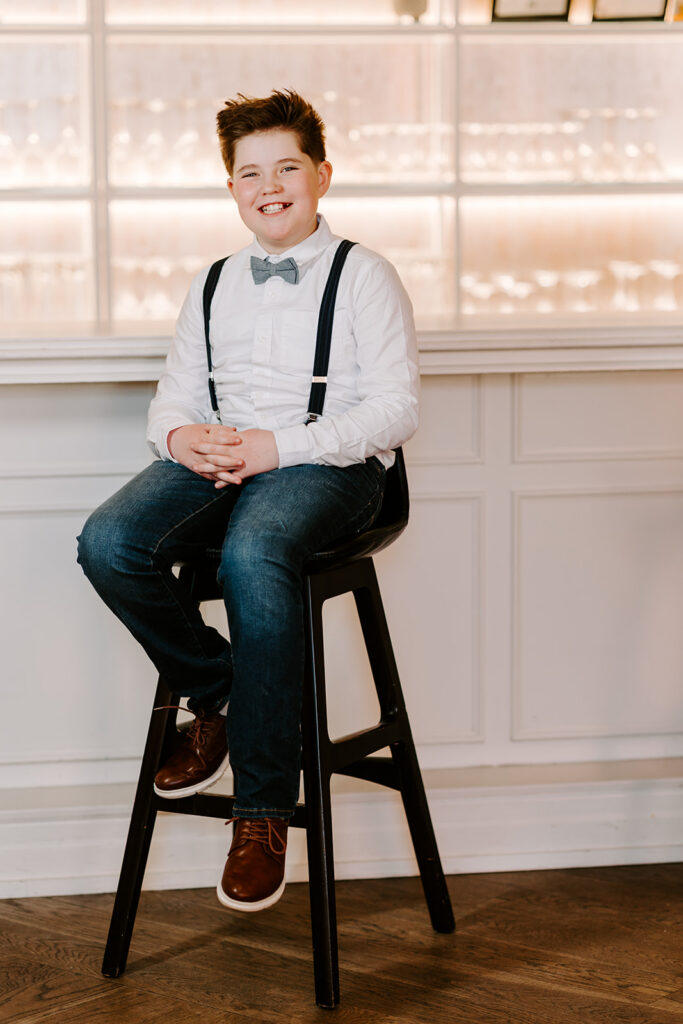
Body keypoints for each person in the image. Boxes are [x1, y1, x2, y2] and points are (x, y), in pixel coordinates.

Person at [77, 89, 419, 914]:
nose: (269, 186)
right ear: (231, 187)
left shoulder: (365, 275)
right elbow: (173, 397)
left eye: (287, 168)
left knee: (252, 552)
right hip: (222, 458)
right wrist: (179, 440)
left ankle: (262, 812)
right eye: (249, 172)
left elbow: (394, 408)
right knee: (109, 541)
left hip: (328, 464)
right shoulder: (213, 283)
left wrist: (279, 447)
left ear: (321, 175)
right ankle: (224, 695)